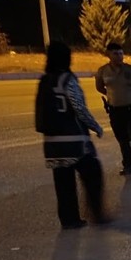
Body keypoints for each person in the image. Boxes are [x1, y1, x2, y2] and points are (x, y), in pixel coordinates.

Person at [35, 41, 106, 229]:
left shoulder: (46, 80)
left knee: (63, 182)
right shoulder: (67, 79)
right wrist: (96, 127)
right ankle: (96, 213)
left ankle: (69, 220)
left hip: (51, 144)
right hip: (73, 142)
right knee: (92, 173)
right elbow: (79, 108)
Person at [94, 42, 131, 176]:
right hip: (115, 110)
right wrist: (111, 96)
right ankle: (128, 165)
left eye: (121, 53)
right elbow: (100, 87)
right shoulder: (103, 71)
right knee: (122, 139)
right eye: (115, 53)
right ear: (108, 55)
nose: (119, 56)